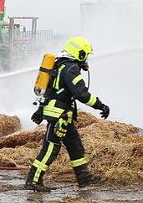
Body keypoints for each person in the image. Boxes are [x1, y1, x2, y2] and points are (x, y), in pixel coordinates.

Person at [26, 36, 110, 191]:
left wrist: (40, 110)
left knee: (75, 146)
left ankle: (84, 177)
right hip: (60, 116)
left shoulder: (59, 65)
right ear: (80, 54)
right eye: (86, 54)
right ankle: (33, 181)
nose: (86, 58)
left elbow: (49, 91)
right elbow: (81, 94)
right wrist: (101, 105)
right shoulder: (71, 69)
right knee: (51, 148)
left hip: (62, 114)